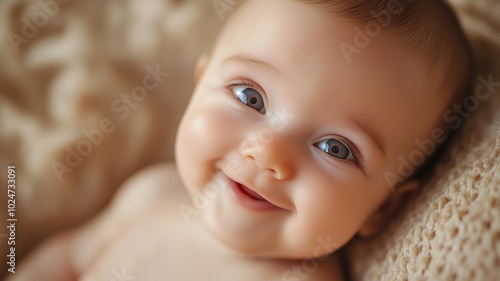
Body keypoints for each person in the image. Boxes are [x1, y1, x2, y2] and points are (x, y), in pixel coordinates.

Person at [8, 0, 473, 280]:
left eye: (335, 148)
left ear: (385, 208)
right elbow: (67, 259)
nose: (267, 152)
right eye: (250, 97)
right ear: (200, 78)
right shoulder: (149, 195)